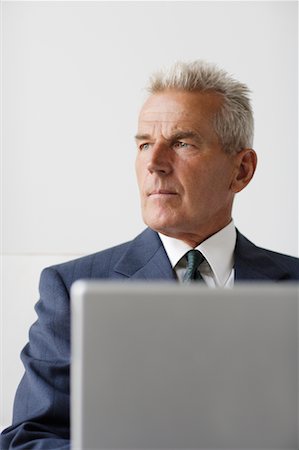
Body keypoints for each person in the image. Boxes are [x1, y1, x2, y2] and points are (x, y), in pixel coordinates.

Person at [1, 60, 298, 449]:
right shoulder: (70, 288)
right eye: (144, 144)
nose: (154, 164)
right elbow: (26, 441)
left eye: (182, 143)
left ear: (241, 170)